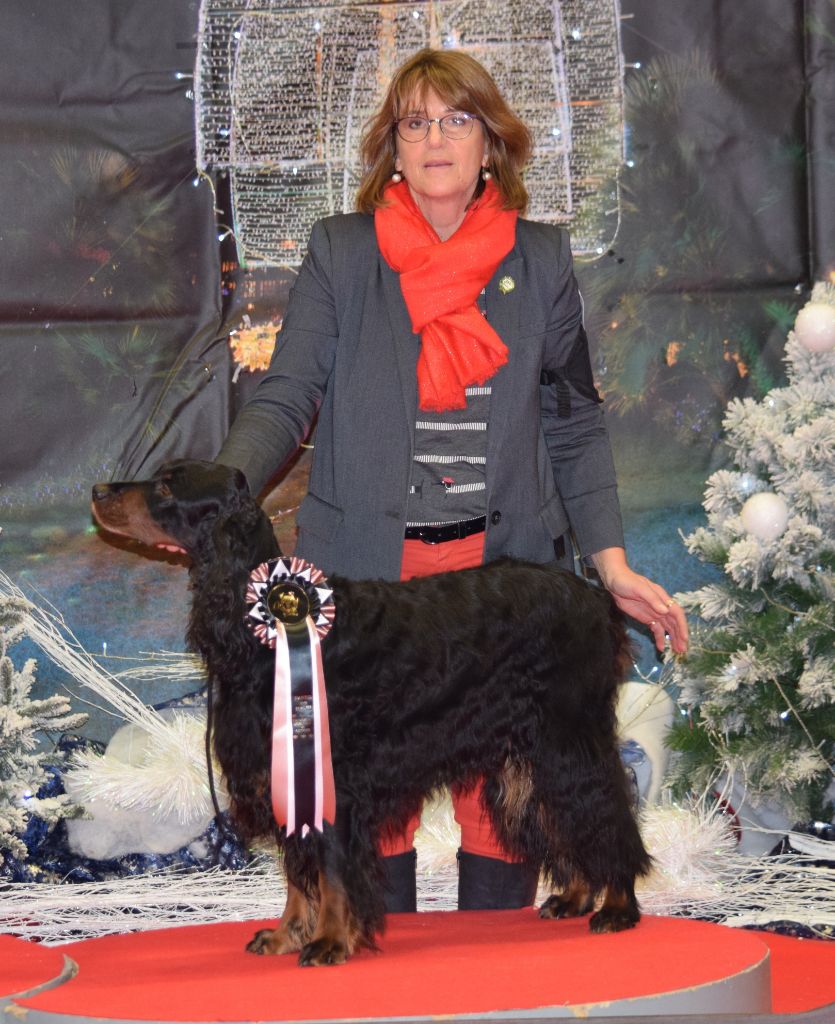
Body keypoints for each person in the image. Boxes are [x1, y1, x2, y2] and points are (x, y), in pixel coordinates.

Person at [212, 48, 689, 911]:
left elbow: (573, 420)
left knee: (507, 817)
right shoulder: (341, 252)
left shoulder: (541, 260)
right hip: (365, 577)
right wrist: (223, 484)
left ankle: (501, 967)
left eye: (456, 120)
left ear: (489, 143)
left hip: (498, 579)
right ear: (393, 148)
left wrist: (611, 563)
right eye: (416, 122)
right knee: (366, 808)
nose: (436, 139)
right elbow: (286, 396)